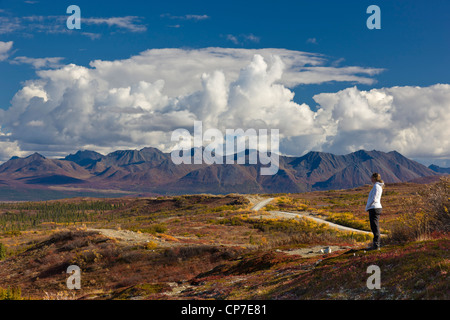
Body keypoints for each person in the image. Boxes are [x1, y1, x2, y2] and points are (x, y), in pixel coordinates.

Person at [365, 172, 384, 250]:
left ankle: (376, 246)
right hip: (375, 208)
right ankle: (376, 245)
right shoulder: (378, 186)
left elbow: (374, 198)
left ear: (374, 178)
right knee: (374, 227)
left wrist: (368, 206)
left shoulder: (376, 186)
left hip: (374, 208)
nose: (370, 179)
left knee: (375, 227)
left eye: (371, 177)